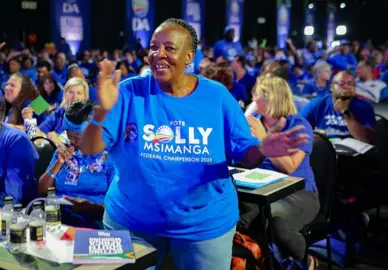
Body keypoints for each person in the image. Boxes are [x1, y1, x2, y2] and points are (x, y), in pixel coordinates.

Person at [80, 18, 308, 269]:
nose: (159, 54)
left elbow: (246, 154)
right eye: (154, 47)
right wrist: (102, 110)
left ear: (189, 57)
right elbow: (89, 148)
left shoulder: (217, 96)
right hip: (129, 222)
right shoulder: (127, 92)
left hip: (203, 230)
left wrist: (262, 149)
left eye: (169, 48)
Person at [245, 74, 319, 269]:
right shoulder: (253, 123)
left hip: (298, 194)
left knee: (273, 222)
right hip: (260, 189)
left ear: (271, 98)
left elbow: (290, 167)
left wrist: (264, 139)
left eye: (257, 95)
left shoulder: (299, 125)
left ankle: (306, 261)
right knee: (233, 215)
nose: (252, 100)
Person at [38, 100, 116, 228]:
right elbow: (41, 192)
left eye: (78, 138)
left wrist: (89, 207)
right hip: (59, 219)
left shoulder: (110, 157)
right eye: (69, 136)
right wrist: (58, 163)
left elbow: (116, 206)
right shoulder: (63, 152)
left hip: (95, 223)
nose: (72, 142)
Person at [300, 71, 376, 143]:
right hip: (325, 150)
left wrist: (345, 111)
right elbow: (297, 128)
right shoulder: (317, 104)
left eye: (350, 84)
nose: (346, 86)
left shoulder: (364, 106)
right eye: (341, 83)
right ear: (331, 87)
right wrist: (309, 135)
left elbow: (366, 139)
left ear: (354, 89)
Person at [23, 77, 90, 145]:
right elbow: (35, 137)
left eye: (79, 93)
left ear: (85, 98)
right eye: (71, 92)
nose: (74, 97)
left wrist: (55, 140)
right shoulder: (58, 113)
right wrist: (29, 121)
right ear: (65, 95)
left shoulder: (88, 120)